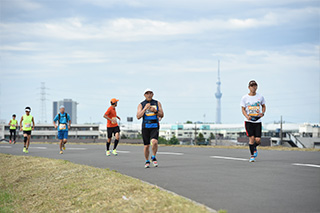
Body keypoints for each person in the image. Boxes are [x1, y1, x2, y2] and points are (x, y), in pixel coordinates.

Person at [137, 89, 164, 168]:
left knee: (154, 142)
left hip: (154, 126)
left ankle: (153, 156)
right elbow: (138, 116)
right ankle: (147, 160)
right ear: (144, 95)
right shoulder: (141, 104)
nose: (149, 95)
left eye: (150, 93)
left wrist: (155, 111)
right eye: (147, 93)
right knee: (146, 146)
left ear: (153, 94)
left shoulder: (157, 103)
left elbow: (162, 114)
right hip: (145, 126)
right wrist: (145, 109)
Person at [240, 80, 266, 162]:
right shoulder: (245, 98)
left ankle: (254, 147)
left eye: (255, 86)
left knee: (258, 140)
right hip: (249, 121)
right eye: (252, 86)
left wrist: (263, 113)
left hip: (257, 121)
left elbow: (264, 106)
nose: (253, 88)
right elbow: (243, 109)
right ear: (249, 87)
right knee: (251, 138)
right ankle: (252, 155)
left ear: (257, 87)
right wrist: (247, 116)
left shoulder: (260, 97)